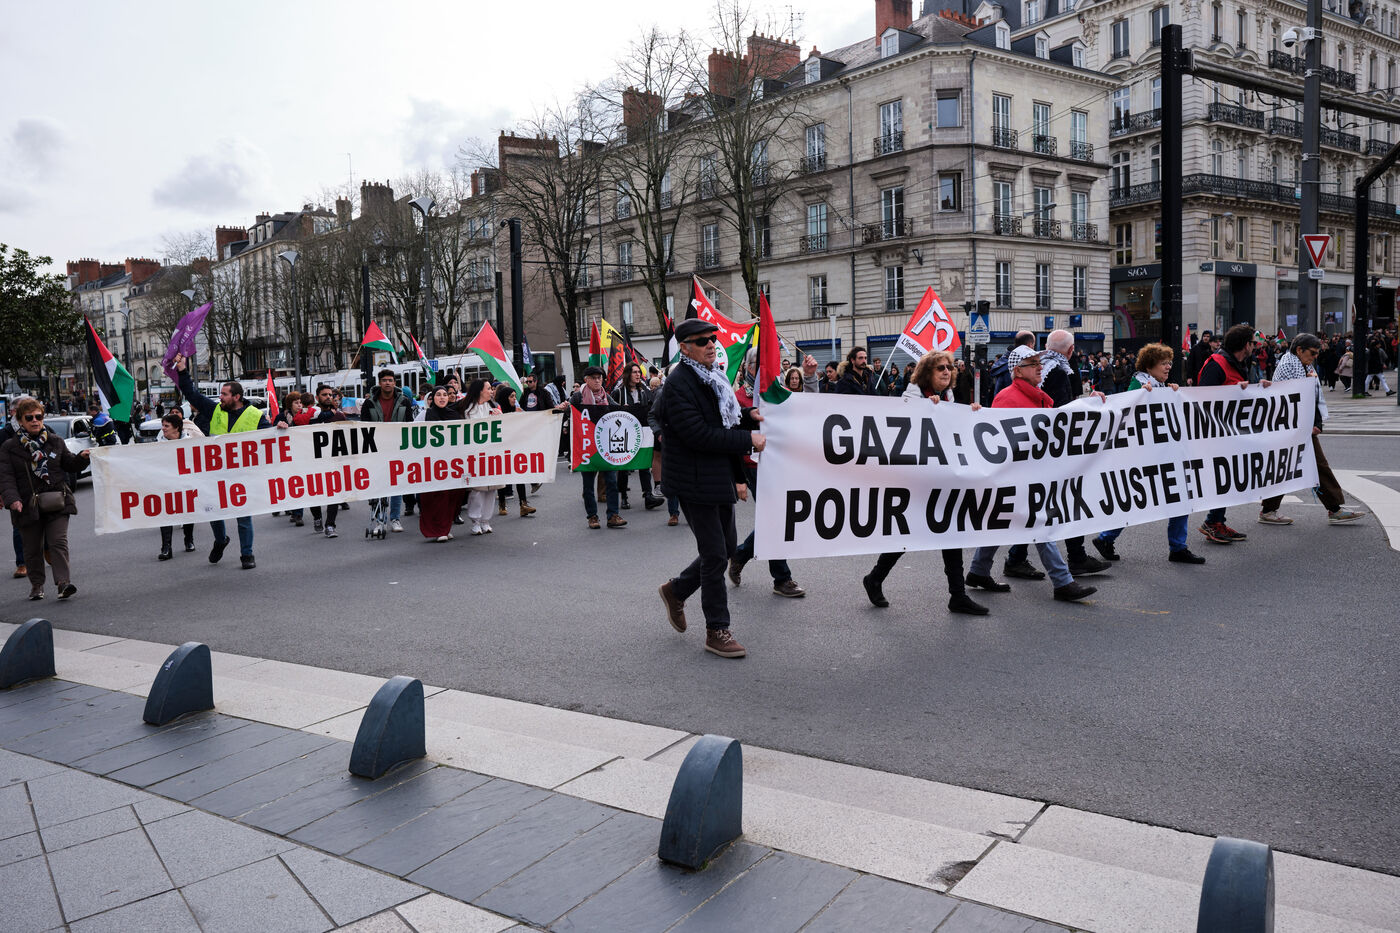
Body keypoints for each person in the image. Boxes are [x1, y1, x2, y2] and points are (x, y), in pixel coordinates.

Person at [656, 318, 764, 658]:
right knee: (716, 554)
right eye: (702, 341)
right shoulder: (677, 384)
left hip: (717, 473)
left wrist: (748, 415)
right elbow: (699, 434)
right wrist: (748, 439)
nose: (711, 345)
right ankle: (717, 630)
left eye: (712, 339)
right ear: (685, 348)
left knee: (727, 546)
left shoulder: (713, 376)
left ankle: (677, 590)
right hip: (692, 479)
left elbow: (724, 417)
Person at [964, 346, 1097, 602]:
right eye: (1033, 363)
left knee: (1001, 522)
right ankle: (1062, 582)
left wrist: (1092, 404)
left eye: (1039, 362)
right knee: (1040, 525)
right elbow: (999, 444)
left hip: (1032, 475)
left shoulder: (1039, 396)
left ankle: (978, 571)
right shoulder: (1007, 398)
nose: (1039, 367)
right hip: (1017, 478)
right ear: (1017, 371)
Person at [862, 351, 989, 615]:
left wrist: (973, 414)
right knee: (908, 533)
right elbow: (901, 433)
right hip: (917, 480)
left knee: (951, 532)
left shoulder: (949, 398)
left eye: (949, 367)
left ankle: (957, 595)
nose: (947, 371)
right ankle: (875, 578)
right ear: (927, 372)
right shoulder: (912, 397)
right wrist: (924, 410)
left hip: (944, 478)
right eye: (940, 367)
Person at [1091, 344, 1206, 566]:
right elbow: (1127, 412)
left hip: (1164, 453)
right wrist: (1142, 395)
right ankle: (1106, 538)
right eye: (1163, 363)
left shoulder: (1162, 386)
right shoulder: (1138, 384)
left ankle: (1178, 547)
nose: (1168, 367)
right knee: (1138, 499)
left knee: (1179, 497)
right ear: (1149, 366)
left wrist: (1173, 393)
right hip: (1145, 456)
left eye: (1169, 363)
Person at [1257, 334, 1366, 526]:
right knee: (1313, 465)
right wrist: (1313, 422)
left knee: (1292, 467)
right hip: (1293, 426)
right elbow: (1300, 398)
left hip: (1297, 426)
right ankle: (1334, 509)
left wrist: (1315, 422)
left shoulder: (1301, 365)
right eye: (1313, 353)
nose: (1315, 357)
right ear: (1299, 350)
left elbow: (1309, 397)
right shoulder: (1290, 366)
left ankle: (1270, 510)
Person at [175, 353, 268, 568]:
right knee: (214, 510)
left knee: (243, 517)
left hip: (241, 474)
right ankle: (220, 540)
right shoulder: (215, 409)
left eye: (224, 394)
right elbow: (191, 393)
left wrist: (281, 428)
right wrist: (182, 370)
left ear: (236, 397)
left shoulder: (255, 415)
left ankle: (247, 555)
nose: (220, 397)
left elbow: (270, 438)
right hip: (215, 473)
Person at [1031, 330, 1109, 578]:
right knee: (1071, 501)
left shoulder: (1040, 366)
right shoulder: (1057, 371)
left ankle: (1013, 558)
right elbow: (1062, 411)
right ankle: (1077, 557)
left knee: (1042, 505)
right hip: (1055, 448)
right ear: (1072, 350)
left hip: (1040, 447)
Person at [729, 350, 805, 599]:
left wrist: (810, 376)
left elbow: (802, 410)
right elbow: (734, 437)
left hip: (778, 462)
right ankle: (781, 578)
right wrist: (739, 478)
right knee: (776, 518)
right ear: (752, 368)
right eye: (767, 366)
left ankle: (740, 554)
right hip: (753, 466)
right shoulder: (739, 398)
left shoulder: (777, 394)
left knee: (776, 517)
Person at [0, 398, 90, 600]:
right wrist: (13, 499)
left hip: (57, 501)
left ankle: (63, 583)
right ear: (20, 421)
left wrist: (81, 458)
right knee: (32, 549)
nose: (35, 420)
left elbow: (70, 464)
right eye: (29, 417)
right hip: (27, 505)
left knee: (58, 542)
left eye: (38, 416)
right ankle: (37, 585)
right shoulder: (9, 447)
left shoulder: (55, 441)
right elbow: (6, 477)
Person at [1195, 324, 1271, 544]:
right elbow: (1203, 398)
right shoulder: (1216, 364)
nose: (1255, 347)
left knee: (1227, 478)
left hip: (1232, 433)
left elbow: (1240, 393)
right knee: (1222, 478)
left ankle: (1216, 521)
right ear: (1245, 345)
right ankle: (1213, 522)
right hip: (1216, 434)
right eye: (1253, 343)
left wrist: (1259, 387)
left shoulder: (1239, 363)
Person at [570, 366, 624, 530]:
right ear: (586, 380)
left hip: (605, 446)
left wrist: (627, 408)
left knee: (611, 482)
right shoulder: (578, 397)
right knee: (588, 485)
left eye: (599, 377)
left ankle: (613, 515)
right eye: (593, 378)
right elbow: (570, 414)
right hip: (587, 447)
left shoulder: (606, 396)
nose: (597, 380)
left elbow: (618, 410)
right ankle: (592, 516)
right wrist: (564, 408)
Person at [360, 370, 414, 532]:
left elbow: (410, 424)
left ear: (394, 383)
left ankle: (395, 519)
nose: (388, 383)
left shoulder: (404, 402)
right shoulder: (369, 403)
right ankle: (379, 520)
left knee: (396, 485)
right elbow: (363, 427)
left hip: (397, 448)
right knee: (379, 485)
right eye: (384, 380)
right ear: (380, 383)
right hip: (377, 449)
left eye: (390, 380)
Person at [612, 363, 663, 510]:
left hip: (642, 432)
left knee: (644, 464)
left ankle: (648, 495)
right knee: (624, 466)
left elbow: (651, 408)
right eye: (634, 372)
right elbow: (611, 411)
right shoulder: (619, 392)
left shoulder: (643, 391)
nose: (638, 374)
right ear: (628, 374)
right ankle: (624, 496)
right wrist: (622, 409)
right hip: (624, 433)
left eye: (639, 372)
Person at [418, 386, 466, 541]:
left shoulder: (455, 415)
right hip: (432, 464)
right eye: (438, 395)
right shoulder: (425, 414)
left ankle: (445, 528)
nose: (442, 397)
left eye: (445, 395)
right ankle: (438, 530)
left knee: (451, 496)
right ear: (432, 398)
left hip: (452, 464)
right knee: (436, 497)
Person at [156, 411, 202, 560]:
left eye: (166, 426)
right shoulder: (159, 443)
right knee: (165, 514)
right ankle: (166, 547)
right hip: (166, 483)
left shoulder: (188, 442)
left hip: (185, 482)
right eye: (163, 425)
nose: (163, 428)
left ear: (176, 428)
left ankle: (189, 540)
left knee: (187, 511)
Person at [461, 378, 501, 534]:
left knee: (491, 489)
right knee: (477, 490)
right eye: (488, 388)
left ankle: (486, 520)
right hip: (475, 456)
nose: (491, 391)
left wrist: (499, 416)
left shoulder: (493, 407)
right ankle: (475, 521)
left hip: (492, 455)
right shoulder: (467, 410)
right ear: (480, 391)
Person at [308, 384, 347, 537]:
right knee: (314, 493)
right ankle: (317, 516)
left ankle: (330, 525)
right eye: (324, 395)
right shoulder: (311, 415)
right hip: (313, 461)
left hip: (333, 460)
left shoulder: (339, 416)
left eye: (330, 395)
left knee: (334, 493)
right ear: (317, 397)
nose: (328, 397)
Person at [493, 384, 535, 518]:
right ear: (505, 398)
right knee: (502, 476)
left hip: (516, 447)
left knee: (519, 475)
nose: (514, 399)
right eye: (511, 396)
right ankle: (502, 504)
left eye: (515, 396)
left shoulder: (517, 410)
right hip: (501, 449)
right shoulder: (497, 413)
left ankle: (523, 505)